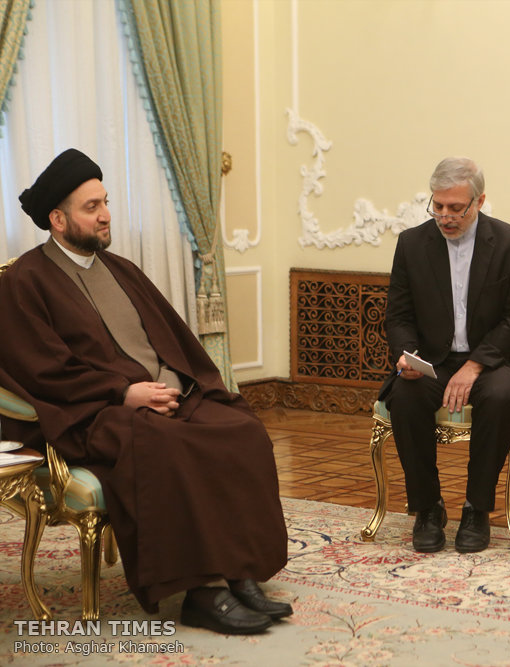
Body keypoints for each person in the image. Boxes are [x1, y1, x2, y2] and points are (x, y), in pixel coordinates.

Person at [0, 149, 292, 634]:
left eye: (105, 202)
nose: (106, 215)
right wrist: (124, 393)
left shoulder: (121, 269)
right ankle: (202, 592)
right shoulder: (26, 281)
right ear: (58, 219)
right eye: (92, 207)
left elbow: (171, 340)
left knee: (240, 428)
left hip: (159, 395)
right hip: (93, 413)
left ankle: (239, 569)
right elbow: (43, 369)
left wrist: (171, 383)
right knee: (168, 447)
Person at [379, 156, 510, 554]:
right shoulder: (412, 244)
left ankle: (476, 509)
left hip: (495, 358)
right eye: (437, 206)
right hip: (433, 359)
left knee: (500, 397)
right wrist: (407, 356)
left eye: (456, 208)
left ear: (479, 201)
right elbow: (398, 315)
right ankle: (427, 508)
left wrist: (474, 365)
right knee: (405, 396)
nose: (445, 217)